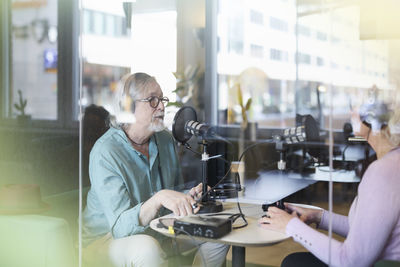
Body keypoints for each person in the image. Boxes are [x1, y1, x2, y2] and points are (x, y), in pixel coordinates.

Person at [82, 73, 229, 267]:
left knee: (218, 233)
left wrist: (187, 197)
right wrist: (159, 198)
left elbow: (170, 195)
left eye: (162, 99)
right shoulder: (105, 152)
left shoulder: (165, 140)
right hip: (106, 239)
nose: (161, 106)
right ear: (128, 106)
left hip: (157, 229)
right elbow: (119, 227)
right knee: (146, 248)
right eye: (152, 100)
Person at [259, 103, 400, 267]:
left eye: (355, 106)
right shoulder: (391, 163)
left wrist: (291, 226)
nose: (350, 111)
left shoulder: (383, 172)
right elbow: (365, 230)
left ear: (372, 118)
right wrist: (318, 216)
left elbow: (351, 261)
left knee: (293, 263)